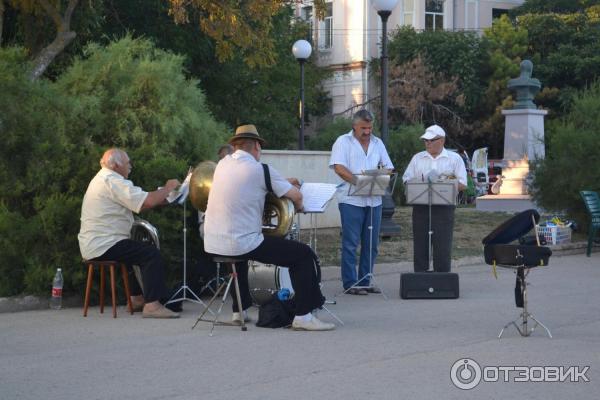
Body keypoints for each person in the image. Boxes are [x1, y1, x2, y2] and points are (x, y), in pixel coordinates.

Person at [203, 124, 334, 331]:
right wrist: (300, 207)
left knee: (238, 252)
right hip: (242, 242)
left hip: (212, 242)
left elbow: (253, 185)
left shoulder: (222, 165)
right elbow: (296, 196)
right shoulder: (260, 169)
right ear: (256, 146)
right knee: (303, 255)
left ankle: (240, 311)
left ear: (236, 146)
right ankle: (303, 316)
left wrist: (282, 182)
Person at [78, 148, 181, 318]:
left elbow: (145, 201)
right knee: (150, 254)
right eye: (128, 163)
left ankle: (136, 298)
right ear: (117, 164)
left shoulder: (102, 179)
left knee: (132, 251)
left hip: (94, 244)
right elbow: (147, 202)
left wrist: (167, 197)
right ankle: (153, 306)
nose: (131, 166)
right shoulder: (113, 180)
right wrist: (168, 187)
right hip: (105, 244)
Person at [329, 110, 394, 295]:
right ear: (354, 126)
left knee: (371, 243)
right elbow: (339, 168)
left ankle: (365, 280)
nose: (367, 132)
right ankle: (351, 283)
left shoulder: (377, 142)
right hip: (351, 199)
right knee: (350, 243)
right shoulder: (343, 141)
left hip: (374, 200)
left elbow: (388, 166)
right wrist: (360, 182)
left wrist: (380, 175)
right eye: (363, 128)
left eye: (370, 127)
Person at [402, 125, 467, 272]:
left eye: (431, 140)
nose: (428, 143)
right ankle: (420, 278)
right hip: (421, 205)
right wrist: (419, 182)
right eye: (425, 140)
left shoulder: (454, 158)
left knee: (443, 244)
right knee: (420, 244)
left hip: (444, 206)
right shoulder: (417, 158)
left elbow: (463, 183)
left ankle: (442, 278)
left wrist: (444, 182)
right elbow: (406, 179)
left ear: (442, 140)